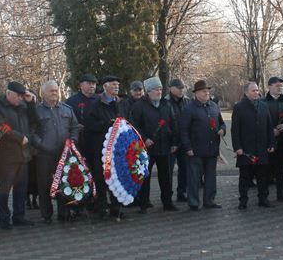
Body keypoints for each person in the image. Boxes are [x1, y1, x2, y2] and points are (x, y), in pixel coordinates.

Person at [0, 81, 37, 228]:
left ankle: (19, 215)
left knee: (21, 188)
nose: (20, 99)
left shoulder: (23, 106)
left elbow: (34, 121)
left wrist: (31, 103)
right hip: (7, 155)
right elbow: (0, 126)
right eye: (18, 96)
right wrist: (19, 137)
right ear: (8, 93)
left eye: (22, 96)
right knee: (5, 188)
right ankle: (4, 218)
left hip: (23, 154)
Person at [32, 80, 80, 224]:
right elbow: (31, 132)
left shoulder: (67, 109)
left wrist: (72, 141)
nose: (54, 93)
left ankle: (64, 213)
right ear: (43, 93)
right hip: (44, 155)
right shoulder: (36, 111)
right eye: (51, 91)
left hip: (64, 154)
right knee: (45, 185)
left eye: (55, 90)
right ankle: (46, 215)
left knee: (64, 183)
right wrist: (42, 145)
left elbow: (75, 127)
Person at [86, 75, 131, 218]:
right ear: (105, 87)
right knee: (101, 178)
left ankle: (116, 207)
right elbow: (90, 125)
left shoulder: (122, 103)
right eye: (113, 84)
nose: (117, 87)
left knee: (116, 177)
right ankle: (102, 207)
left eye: (118, 84)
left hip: (118, 149)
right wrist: (108, 124)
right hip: (101, 148)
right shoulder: (96, 104)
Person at [132, 76, 178, 212]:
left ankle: (167, 203)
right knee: (144, 177)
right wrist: (144, 138)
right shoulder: (139, 106)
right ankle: (144, 203)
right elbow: (134, 125)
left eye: (160, 89)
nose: (159, 92)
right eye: (156, 90)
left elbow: (173, 123)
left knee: (166, 177)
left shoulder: (166, 104)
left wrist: (174, 142)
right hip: (147, 148)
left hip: (164, 147)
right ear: (148, 92)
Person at [179, 80, 225, 211]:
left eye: (208, 91)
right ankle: (193, 202)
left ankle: (209, 200)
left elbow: (222, 123)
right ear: (197, 93)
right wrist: (188, 147)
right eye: (204, 91)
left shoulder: (214, 106)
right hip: (195, 149)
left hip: (212, 149)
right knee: (194, 178)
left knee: (211, 177)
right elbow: (183, 130)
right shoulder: (189, 108)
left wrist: (223, 130)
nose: (207, 93)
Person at [232, 82, 275, 209]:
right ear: (246, 92)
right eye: (253, 91)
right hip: (246, 149)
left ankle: (263, 199)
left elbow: (269, 126)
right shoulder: (239, 107)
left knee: (263, 176)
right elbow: (235, 129)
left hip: (262, 148)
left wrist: (271, 143)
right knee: (245, 177)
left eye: (257, 90)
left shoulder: (263, 106)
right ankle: (243, 200)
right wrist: (237, 147)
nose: (256, 93)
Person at [264, 76, 283, 202]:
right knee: (265, 170)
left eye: (281, 86)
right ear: (269, 87)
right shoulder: (261, 103)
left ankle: (281, 194)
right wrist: (271, 131)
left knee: (281, 169)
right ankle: (263, 196)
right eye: (277, 85)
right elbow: (258, 123)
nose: (280, 88)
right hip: (267, 142)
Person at [166, 78, 191, 203]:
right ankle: (167, 196)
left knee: (185, 169)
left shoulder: (187, 102)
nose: (182, 90)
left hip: (184, 142)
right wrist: (173, 142)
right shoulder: (164, 102)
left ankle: (182, 193)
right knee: (168, 171)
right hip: (170, 143)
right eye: (179, 88)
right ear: (171, 88)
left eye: (183, 88)